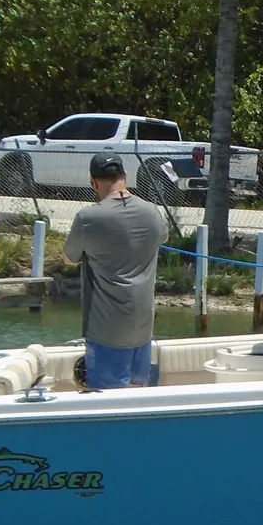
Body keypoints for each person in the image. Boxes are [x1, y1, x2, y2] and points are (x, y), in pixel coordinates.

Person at [62, 152, 167, 387]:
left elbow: (69, 258)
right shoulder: (152, 211)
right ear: (125, 176)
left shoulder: (88, 217)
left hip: (106, 329)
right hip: (143, 326)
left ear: (94, 183)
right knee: (138, 398)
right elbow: (163, 236)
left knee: (108, 404)